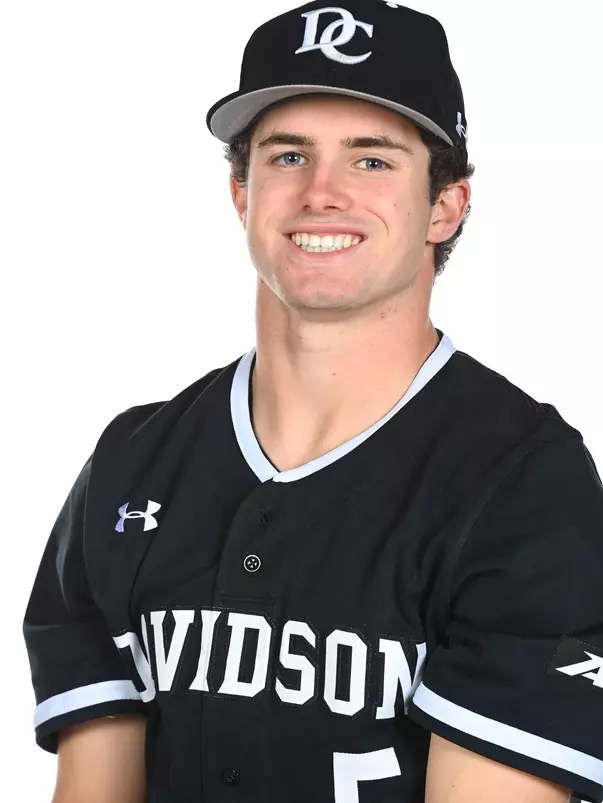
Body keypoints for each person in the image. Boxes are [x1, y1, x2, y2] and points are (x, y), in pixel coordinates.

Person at [22, 1, 603, 802]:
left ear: (445, 206)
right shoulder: (131, 461)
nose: (320, 192)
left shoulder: (522, 482)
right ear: (242, 192)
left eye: (371, 160)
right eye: (288, 155)